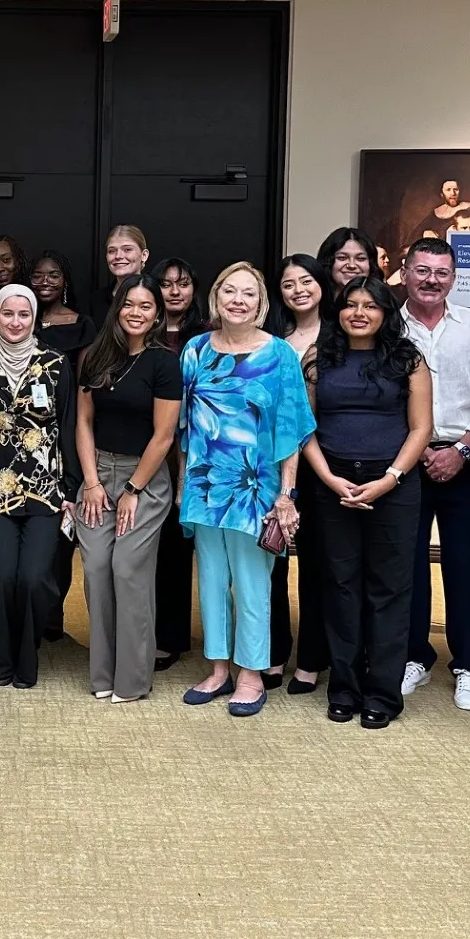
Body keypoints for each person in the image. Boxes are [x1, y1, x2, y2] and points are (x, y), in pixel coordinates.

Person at [177, 262, 313, 717]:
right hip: (204, 484)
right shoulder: (195, 349)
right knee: (212, 582)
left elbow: (292, 429)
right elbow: (185, 427)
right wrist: (182, 486)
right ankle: (218, 669)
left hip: (257, 487)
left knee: (254, 585)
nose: (238, 299)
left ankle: (251, 674)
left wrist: (286, 496)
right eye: (229, 291)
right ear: (216, 298)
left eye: (248, 294)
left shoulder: (279, 355)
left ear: (262, 303)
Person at [303, 276, 433, 729]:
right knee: (339, 587)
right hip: (331, 482)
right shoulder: (319, 357)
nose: (359, 313)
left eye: (370, 306)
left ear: (385, 313)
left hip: (394, 487)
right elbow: (305, 426)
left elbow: (421, 428)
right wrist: (330, 480)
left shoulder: (407, 358)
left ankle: (383, 692)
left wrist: (389, 478)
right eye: (350, 304)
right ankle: (343, 687)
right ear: (338, 310)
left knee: (389, 591)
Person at [394, 237, 470, 712]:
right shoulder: (387, 325)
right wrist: (415, 451)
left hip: (467, 460)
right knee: (408, 563)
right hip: (404, 462)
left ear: (454, 278)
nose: (431, 280)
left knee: (464, 565)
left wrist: (461, 448)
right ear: (405, 271)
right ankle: (414, 656)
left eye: (441, 272)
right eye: (422, 270)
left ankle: (469, 666)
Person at [0, 285, 78, 689]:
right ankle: (3, 648)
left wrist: (73, 489)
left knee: (33, 578)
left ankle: (26, 655)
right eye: (7, 314)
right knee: (1, 576)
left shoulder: (56, 363)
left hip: (45, 485)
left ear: (33, 319)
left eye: (23, 315)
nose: (15, 322)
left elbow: (68, 425)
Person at [74, 275, 180, 702]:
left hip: (145, 479)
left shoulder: (163, 362)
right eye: (129, 304)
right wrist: (92, 482)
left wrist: (134, 489)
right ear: (117, 308)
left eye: (146, 306)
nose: (136, 313)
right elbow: (83, 421)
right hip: (98, 473)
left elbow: (165, 435)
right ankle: (102, 675)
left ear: (156, 314)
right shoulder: (95, 356)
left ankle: (133, 680)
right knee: (97, 569)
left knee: (127, 570)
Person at [264, 253, 333, 693]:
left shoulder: (341, 333)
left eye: (306, 281)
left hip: (324, 462)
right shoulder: (270, 338)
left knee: (317, 564)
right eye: (288, 284)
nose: (298, 290)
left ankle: (310, 658)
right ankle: (271, 654)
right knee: (269, 560)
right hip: (270, 461)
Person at [152, 258, 207, 670]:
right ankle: (148, 632)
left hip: (192, 452)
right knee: (149, 549)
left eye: (183, 284)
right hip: (151, 449)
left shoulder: (205, 337)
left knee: (177, 546)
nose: (174, 292)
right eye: (167, 284)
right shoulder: (141, 328)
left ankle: (172, 636)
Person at [31, 249, 95, 357]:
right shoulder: (20, 320)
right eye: (37, 276)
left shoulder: (82, 325)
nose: (45, 281)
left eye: (54, 276)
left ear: (65, 282)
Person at [315, 227, 380, 289]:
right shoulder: (312, 299)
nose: (352, 265)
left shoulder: (386, 299)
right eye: (342, 258)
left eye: (360, 259)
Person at [103, 225, 150, 297]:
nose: (118, 256)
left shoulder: (157, 295)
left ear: (144, 255)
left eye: (127, 249)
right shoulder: (95, 301)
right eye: (112, 251)